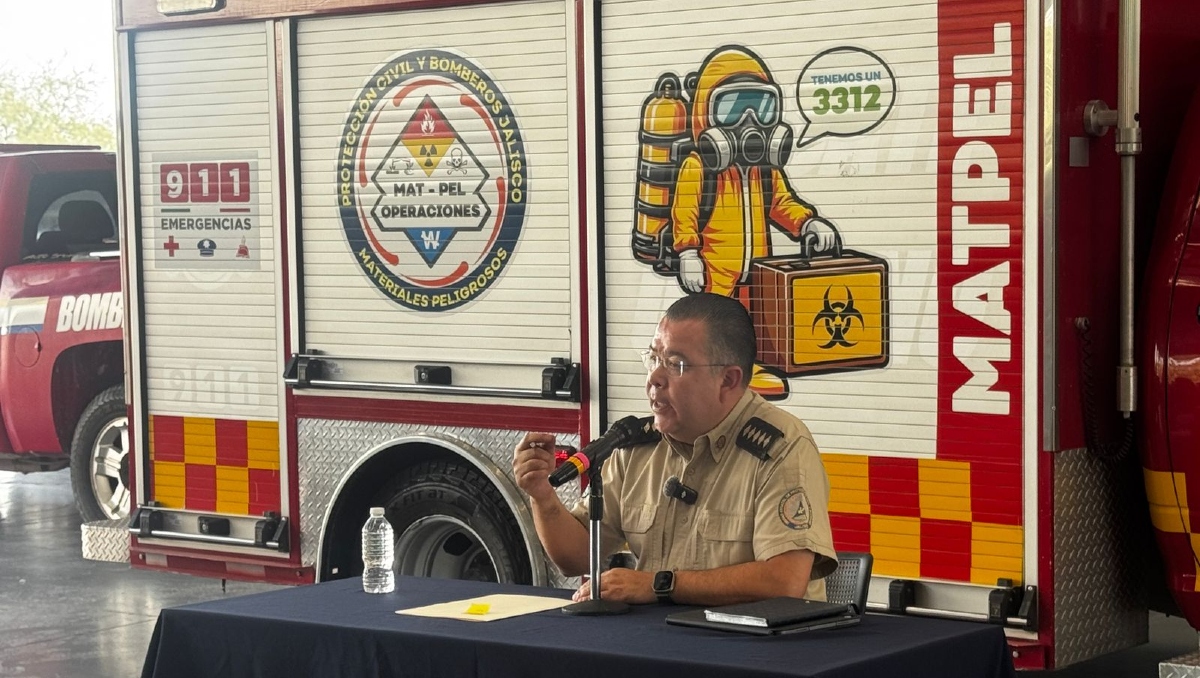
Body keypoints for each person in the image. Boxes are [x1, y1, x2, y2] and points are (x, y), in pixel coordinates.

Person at [512, 292, 837, 606]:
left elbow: (783, 581)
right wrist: (544, 498)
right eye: (653, 358)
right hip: (660, 644)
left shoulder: (781, 448)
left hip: (757, 651)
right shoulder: (636, 445)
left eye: (675, 365)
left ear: (728, 379)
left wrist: (660, 585)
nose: (654, 377)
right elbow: (576, 558)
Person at [670, 46, 841, 399]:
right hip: (715, 270)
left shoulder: (765, 171)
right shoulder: (699, 168)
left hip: (757, 269)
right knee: (713, 329)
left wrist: (808, 224)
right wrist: (687, 253)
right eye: (731, 108)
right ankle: (709, 378)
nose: (750, 120)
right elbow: (684, 213)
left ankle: (751, 368)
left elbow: (783, 204)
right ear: (706, 113)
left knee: (754, 323)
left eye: (761, 107)